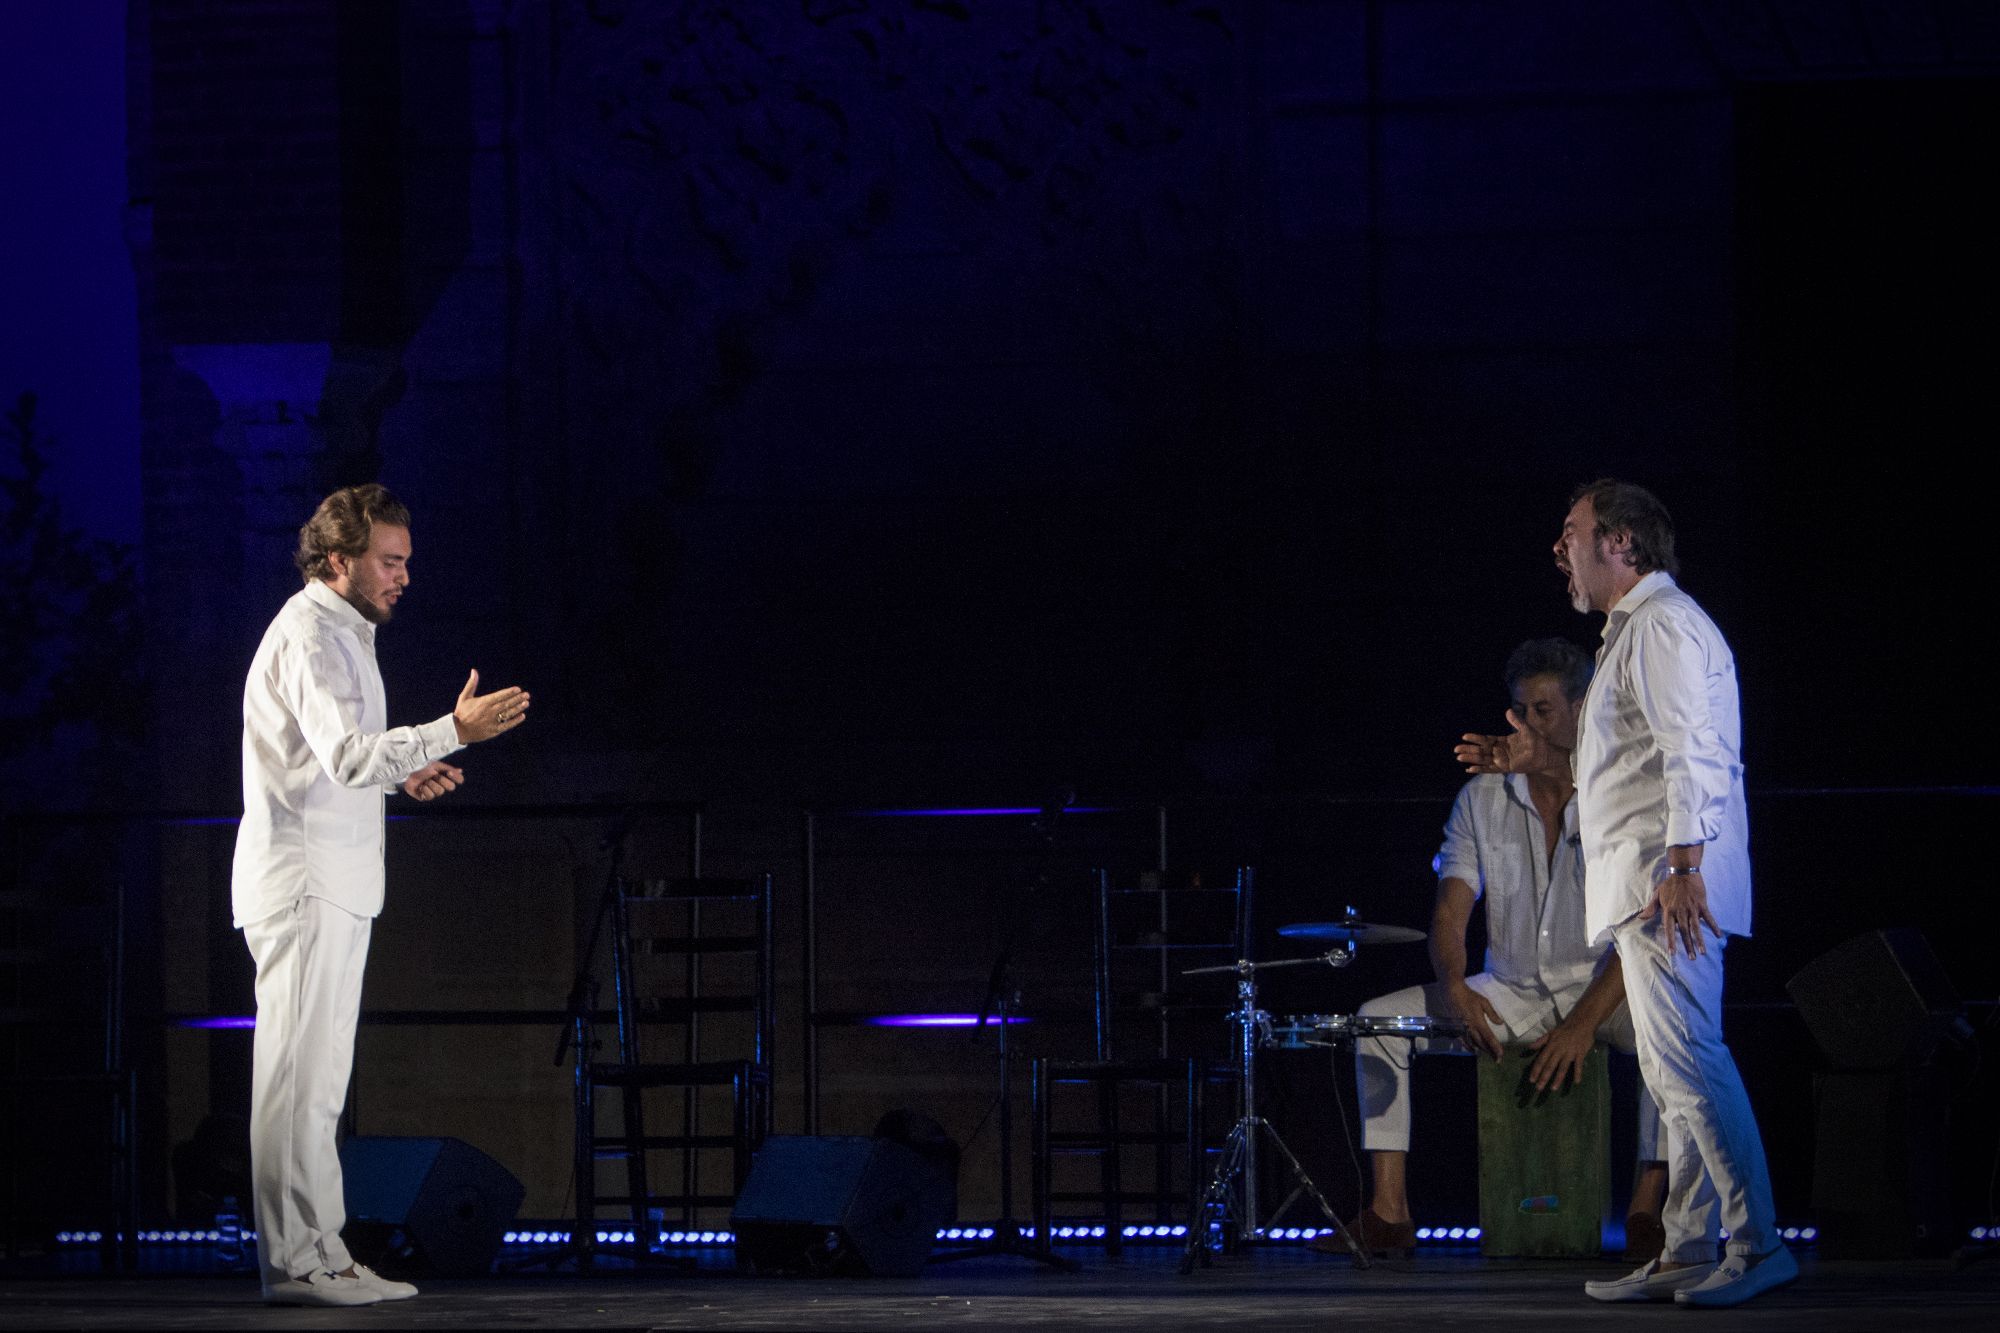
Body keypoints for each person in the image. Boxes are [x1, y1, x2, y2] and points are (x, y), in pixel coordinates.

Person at [1456, 479, 1793, 1308]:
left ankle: (1756, 1242)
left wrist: (1681, 865)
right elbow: (1631, 766)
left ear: (1620, 542)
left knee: (1691, 1065)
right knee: (1675, 1076)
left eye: (1571, 532)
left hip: (1667, 885)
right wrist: (1534, 760)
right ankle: (1687, 1245)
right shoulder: (1635, 631)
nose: (1559, 548)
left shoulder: (1664, 624)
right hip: (1653, 884)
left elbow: (1692, 750)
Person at [231, 484, 530, 1307]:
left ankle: (322, 1251)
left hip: (335, 880)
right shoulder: (310, 635)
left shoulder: (344, 634)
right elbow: (345, 756)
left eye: (405, 561)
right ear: (340, 559)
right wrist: (451, 731)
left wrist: (404, 771)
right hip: (305, 881)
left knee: (320, 1082)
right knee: (296, 1081)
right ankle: (296, 1262)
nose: (403, 576)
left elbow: (345, 758)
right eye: (389, 561)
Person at [1324, 639, 1664, 1260]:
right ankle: (1390, 1213)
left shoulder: (1618, 795)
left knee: (1673, 1029)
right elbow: (1451, 909)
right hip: (1510, 989)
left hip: (1605, 992)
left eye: (1543, 711)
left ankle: (1648, 1208)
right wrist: (1454, 985)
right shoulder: (1482, 798)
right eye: (1519, 711)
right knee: (1377, 1022)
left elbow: (1640, 932)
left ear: (1582, 709)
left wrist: (1581, 1025)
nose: (1525, 725)